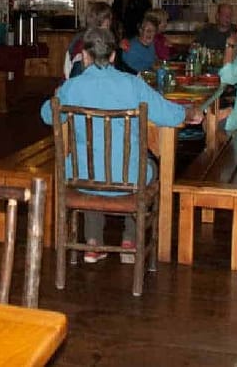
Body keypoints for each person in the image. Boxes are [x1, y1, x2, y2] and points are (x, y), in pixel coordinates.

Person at [41, 27, 202, 263]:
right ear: (114, 56)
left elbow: (47, 115)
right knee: (147, 167)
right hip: (128, 180)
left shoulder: (71, 88)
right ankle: (129, 240)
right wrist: (189, 113)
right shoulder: (132, 85)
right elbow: (169, 114)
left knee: (92, 163)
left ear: (85, 56)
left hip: (79, 177)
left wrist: (56, 95)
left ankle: (92, 243)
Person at [64, 1, 112, 79]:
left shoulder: (81, 39)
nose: (110, 25)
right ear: (105, 22)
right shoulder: (82, 44)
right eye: (109, 22)